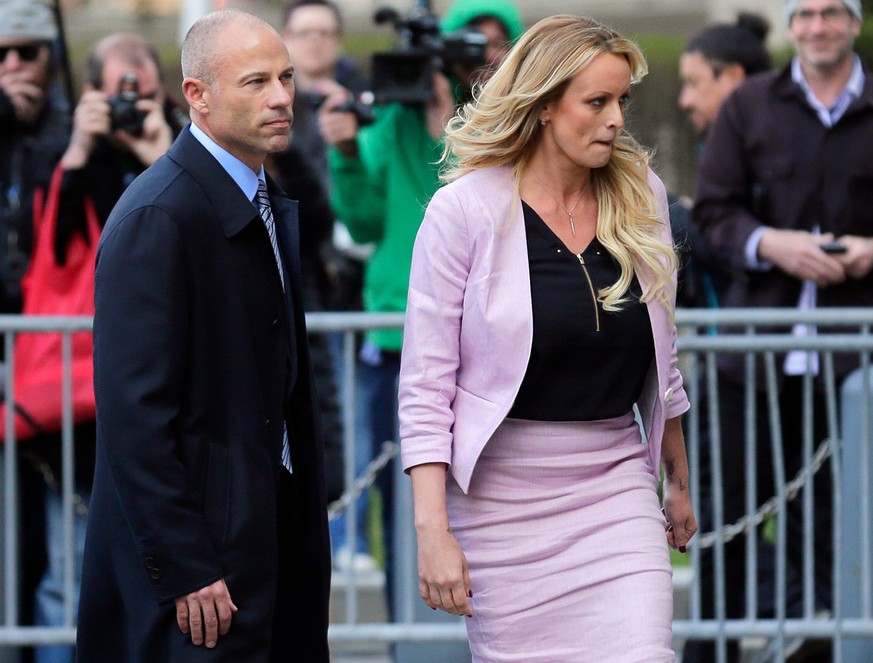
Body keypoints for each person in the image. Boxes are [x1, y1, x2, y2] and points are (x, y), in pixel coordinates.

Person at [398, 15, 697, 662]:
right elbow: (425, 389)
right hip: (499, 503)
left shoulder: (639, 192)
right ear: (540, 107)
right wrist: (431, 530)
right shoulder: (463, 213)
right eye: (596, 102)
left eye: (621, 100)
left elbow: (661, 354)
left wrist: (676, 476)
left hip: (614, 483)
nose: (616, 118)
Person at [76, 10, 330, 662]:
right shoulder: (160, 214)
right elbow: (134, 416)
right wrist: (185, 562)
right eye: (254, 82)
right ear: (198, 95)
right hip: (200, 579)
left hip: (264, 545)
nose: (280, 97)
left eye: (285, 77)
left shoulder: (258, 193)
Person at [690, 1, 873, 661]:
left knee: (836, 522)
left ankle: (827, 647)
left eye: (832, 12)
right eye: (805, 13)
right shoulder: (749, 106)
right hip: (753, 361)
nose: (818, 26)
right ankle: (711, 650)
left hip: (852, 367)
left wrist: (866, 251)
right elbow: (711, 210)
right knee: (725, 517)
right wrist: (773, 244)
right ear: (790, 24)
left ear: (854, 21)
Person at [320, 0, 524, 586]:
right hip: (397, 332)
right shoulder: (398, 118)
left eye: (495, 44)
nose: (483, 59)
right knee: (400, 497)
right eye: (469, 43)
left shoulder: (520, 123)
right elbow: (360, 224)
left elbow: (488, 205)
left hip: (485, 335)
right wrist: (346, 152)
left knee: (488, 499)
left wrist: (448, 129)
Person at [24, 32, 186, 663]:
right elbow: (51, 249)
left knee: (161, 569)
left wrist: (159, 155)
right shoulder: (62, 153)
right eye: (115, 93)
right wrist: (79, 148)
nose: (128, 105)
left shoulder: (182, 150)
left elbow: (190, 240)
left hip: (162, 387)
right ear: (89, 94)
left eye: (140, 93)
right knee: (70, 567)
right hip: (78, 404)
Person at [672, 12, 771, 309]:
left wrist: (678, 215)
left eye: (693, 82)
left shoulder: (772, 149)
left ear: (732, 77)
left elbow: (730, 246)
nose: (684, 101)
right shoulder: (719, 146)